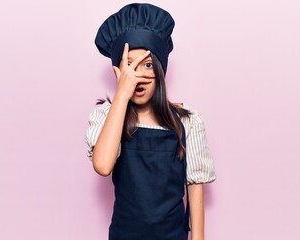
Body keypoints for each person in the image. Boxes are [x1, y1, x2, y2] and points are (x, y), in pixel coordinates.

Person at [85, 3, 216, 240]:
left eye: (147, 64)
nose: (139, 75)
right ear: (119, 71)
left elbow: (195, 187)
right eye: (129, 65)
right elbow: (103, 166)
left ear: (160, 68)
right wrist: (121, 96)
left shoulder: (188, 122)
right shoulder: (108, 116)